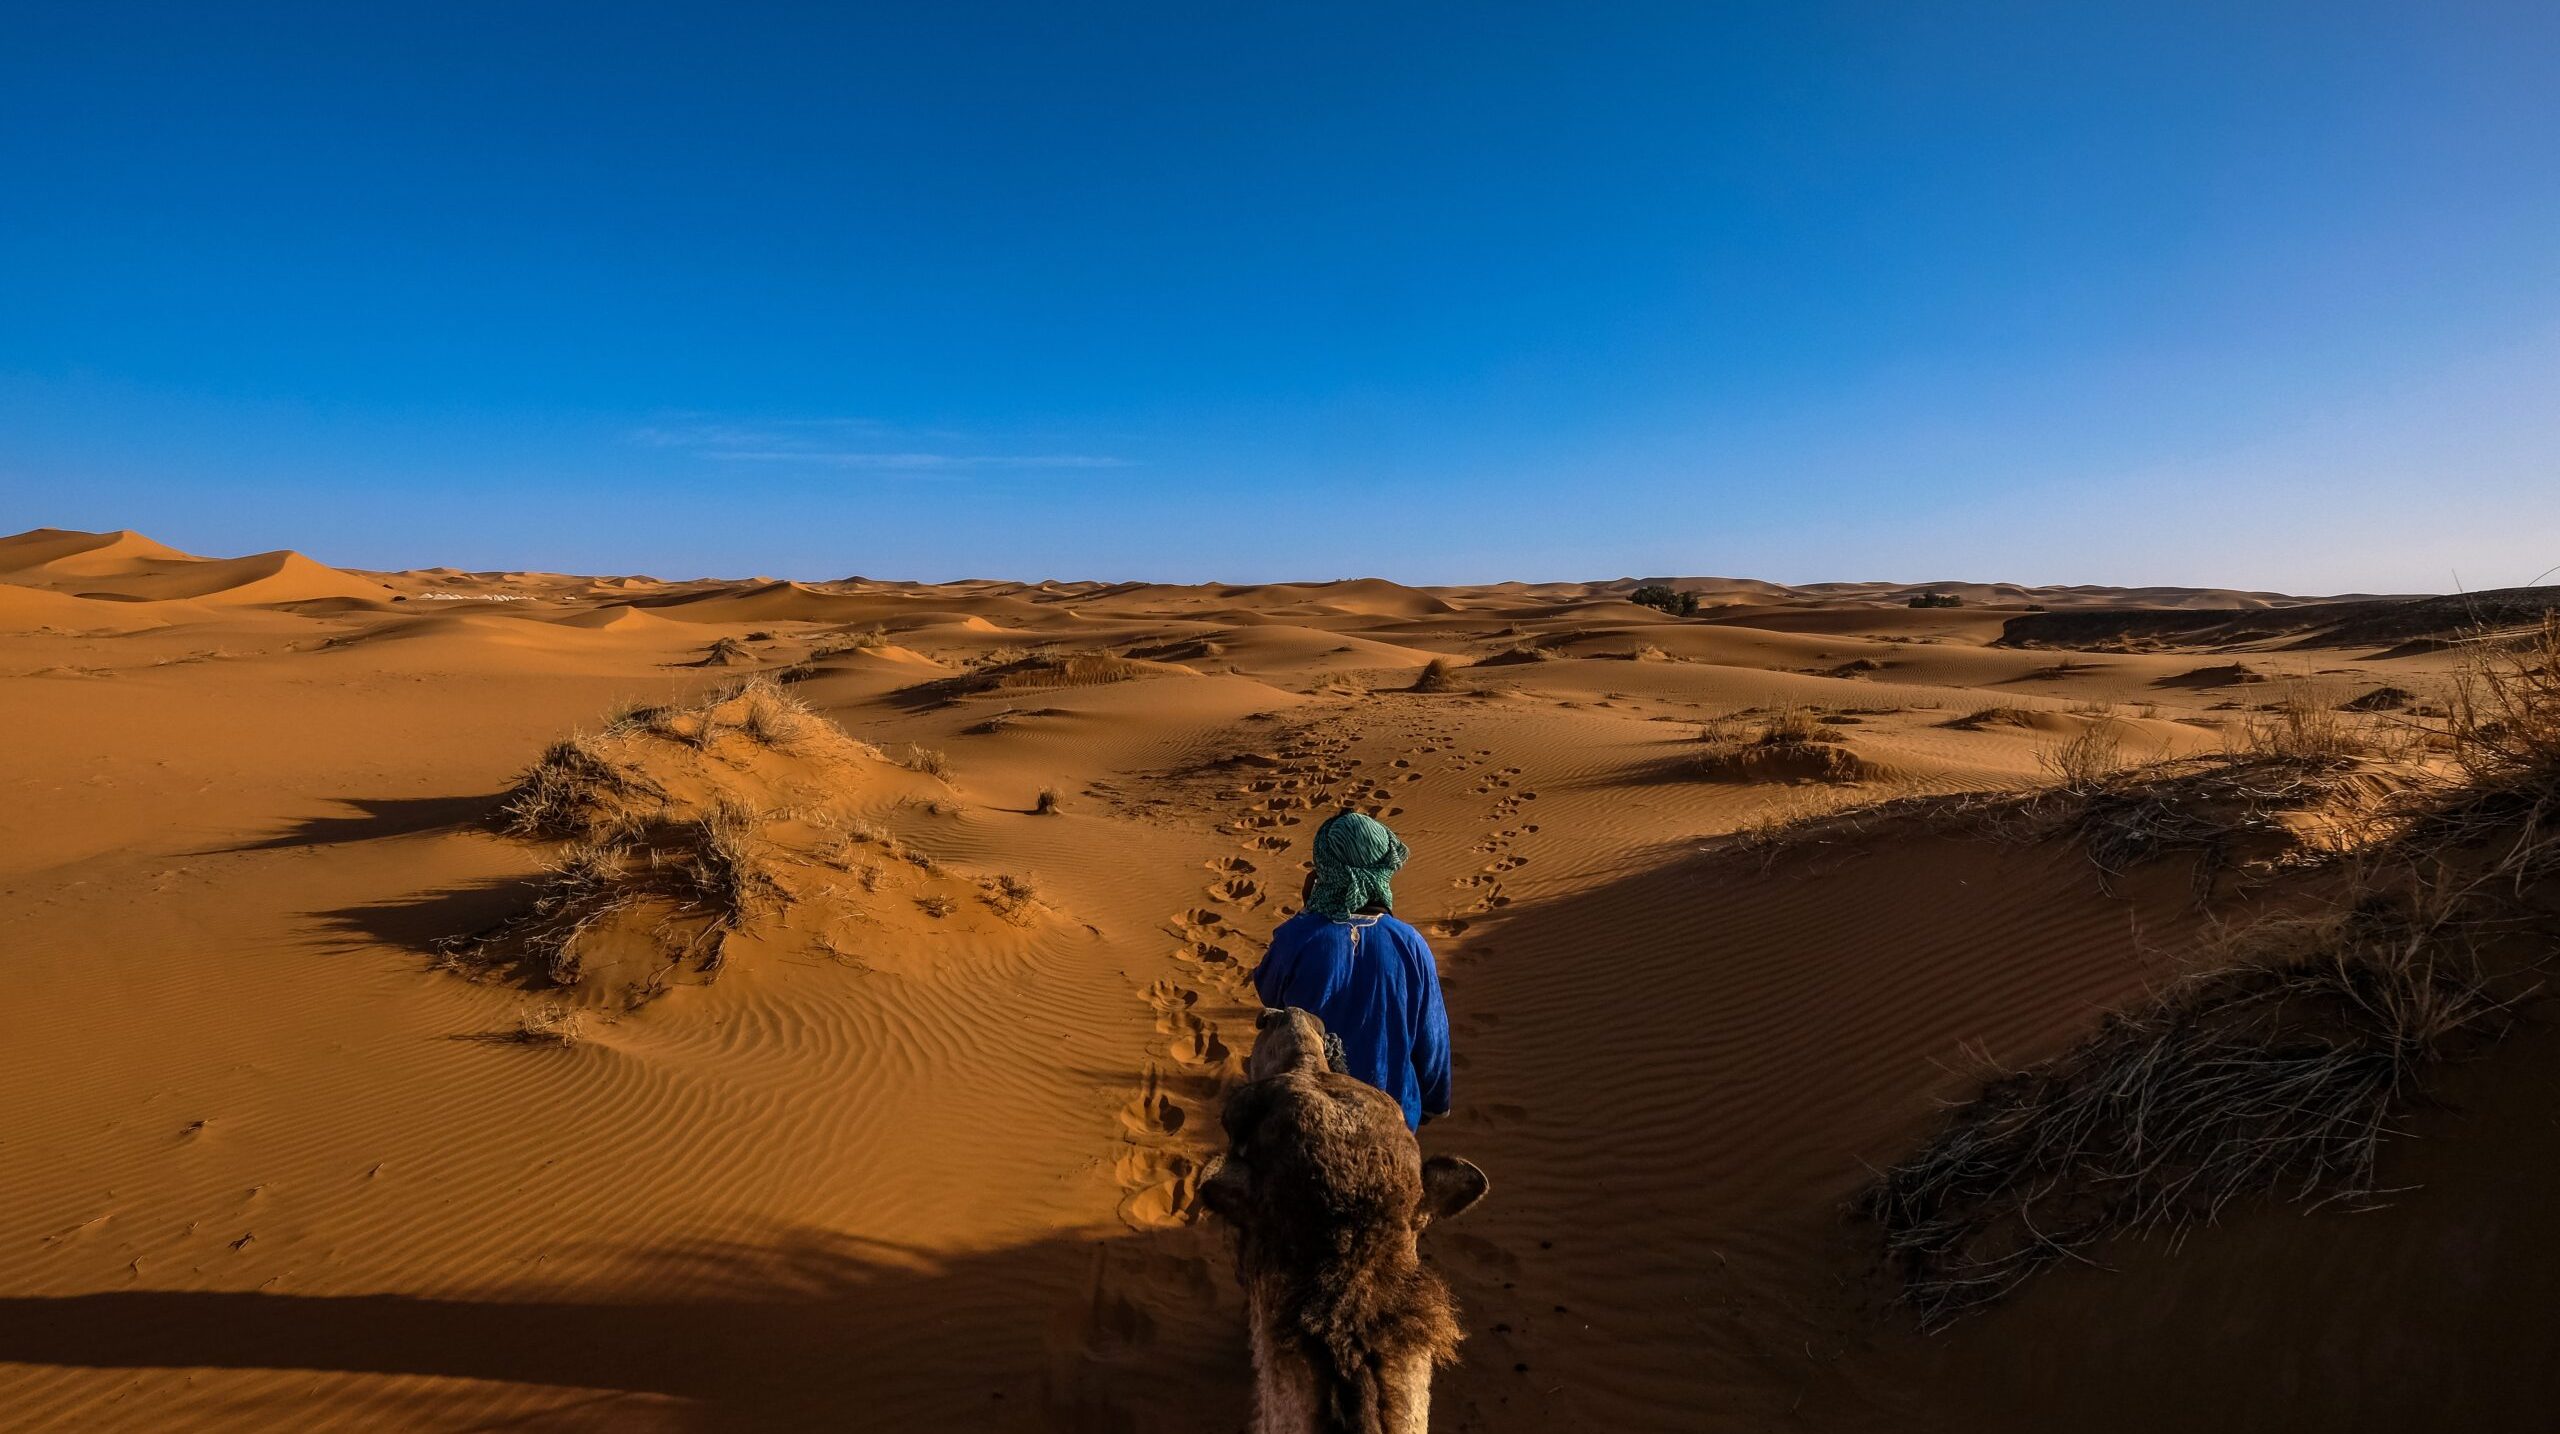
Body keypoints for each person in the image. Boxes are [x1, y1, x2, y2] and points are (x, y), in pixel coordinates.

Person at [1251, 810, 1452, 1130]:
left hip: (1308, 1118)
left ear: (1324, 871)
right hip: (1391, 1116)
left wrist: (1307, 914)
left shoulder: (1296, 938)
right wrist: (1434, 1103)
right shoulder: (1410, 944)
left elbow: (1269, 991)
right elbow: (1432, 1039)